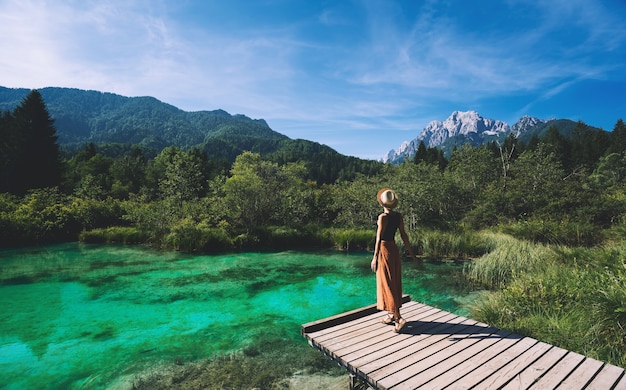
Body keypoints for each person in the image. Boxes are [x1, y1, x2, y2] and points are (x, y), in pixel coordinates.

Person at [371, 188, 418, 333]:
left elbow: (379, 239)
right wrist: (412, 255)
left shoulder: (382, 217)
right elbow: (404, 236)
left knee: (386, 283)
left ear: (382, 203)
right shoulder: (398, 216)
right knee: (393, 281)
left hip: (384, 250)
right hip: (394, 250)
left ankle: (399, 318)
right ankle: (391, 314)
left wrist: (374, 258)